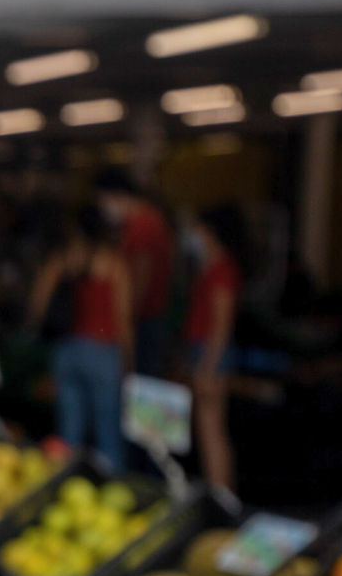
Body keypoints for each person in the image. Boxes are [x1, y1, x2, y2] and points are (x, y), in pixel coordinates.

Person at [26, 206, 133, 468]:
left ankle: (66, 482)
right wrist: (129, 362)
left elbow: (37, 305)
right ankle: (111, 488)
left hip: (67, 351)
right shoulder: (114, 263)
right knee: (109, 434)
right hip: (103, 352)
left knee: (69, 434)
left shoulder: (62, 260)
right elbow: (123, 319)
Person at [184, 205, 248, 492]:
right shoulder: (210, 267)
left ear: (211, 232)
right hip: (204, 352)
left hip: (211, 355)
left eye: (197, 229)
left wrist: (208, 367)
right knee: (208, 428)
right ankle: (218, 492)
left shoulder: (222, 269)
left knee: (212, 430)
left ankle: (221, 495)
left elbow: (221, 325)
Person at [96, 169, 175, 378]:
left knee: (139, 384)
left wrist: (126, 321)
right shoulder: (147, 221)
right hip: (148, 318)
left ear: (116, 195)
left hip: (144, 321)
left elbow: (141, 278)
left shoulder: (142, 225)